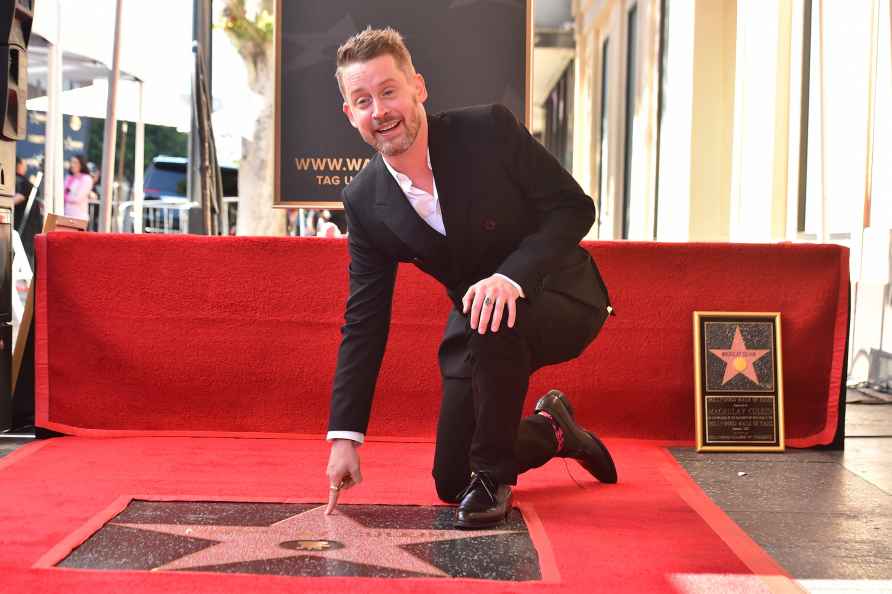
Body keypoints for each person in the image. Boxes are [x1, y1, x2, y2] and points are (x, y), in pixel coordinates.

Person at [325, 27, 616, 529]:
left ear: (418, 87)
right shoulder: (364, 201)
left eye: (389, 91)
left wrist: (512, 275)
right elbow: (364, 321)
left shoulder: (488, 131)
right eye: (363, 100)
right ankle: (554, 432)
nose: (381, 111)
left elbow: (574, 209)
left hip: (560, 295)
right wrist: (345, 437)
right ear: (351, 114)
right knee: (451, 478)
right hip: (479, 324)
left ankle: (495, 478)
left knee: (484, 455)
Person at [13, 157, 43, 270]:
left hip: (25, 228)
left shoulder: (22, 183)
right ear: (19, 165)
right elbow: (16, 198)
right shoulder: (21, 181)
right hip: (24, 229)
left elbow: (17, 198)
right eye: (24, 164)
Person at [63, 154, 92, 221]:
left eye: (75, 163)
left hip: (79, 217)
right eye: (71, 162)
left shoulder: (86, 179)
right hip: (67, 215)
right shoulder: (68, 177)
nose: (72, 165)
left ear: (81, 164)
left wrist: (66, 197)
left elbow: (78, 198)